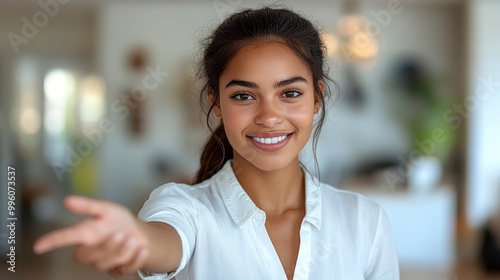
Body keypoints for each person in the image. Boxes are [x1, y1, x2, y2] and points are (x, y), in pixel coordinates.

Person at [34, 7, 400, 280]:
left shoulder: (364, 222)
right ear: (215, 101)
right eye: (244, 96)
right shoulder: (185, 209)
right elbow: (164, 240)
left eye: (290, 93)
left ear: (317, 98)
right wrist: (139, 239)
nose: (269, 116)